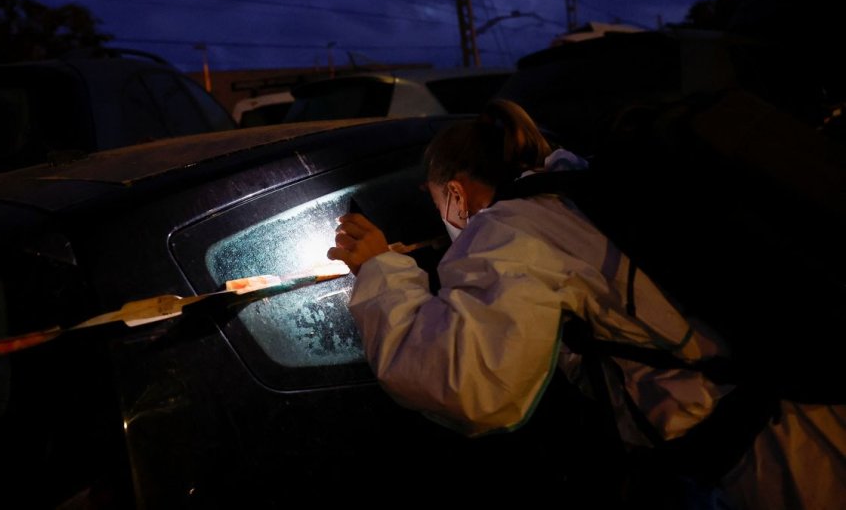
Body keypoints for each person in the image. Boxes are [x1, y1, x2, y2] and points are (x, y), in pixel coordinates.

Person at [327, 99, 845, 510]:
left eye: (437, 202)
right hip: (808, 390)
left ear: (455, 195)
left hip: (776, 456)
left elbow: (471, 384)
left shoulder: (510, 228)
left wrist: (380, 271)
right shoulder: (578, 188)